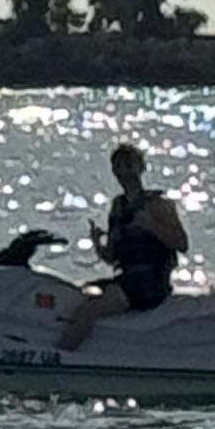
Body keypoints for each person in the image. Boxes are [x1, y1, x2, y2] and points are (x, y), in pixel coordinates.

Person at [61, 141, 187, 347]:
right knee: (78, 295)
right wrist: (97, 243)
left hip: (150, 283)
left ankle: (63, 353)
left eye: (129, 166)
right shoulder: (118, 207)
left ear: (141, 168)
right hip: (126, 278)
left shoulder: (158, 205)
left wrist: (151, 225)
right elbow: (112, 257)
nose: (124, 172)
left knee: (89, 310)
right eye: (118, 167)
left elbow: (181, 243)